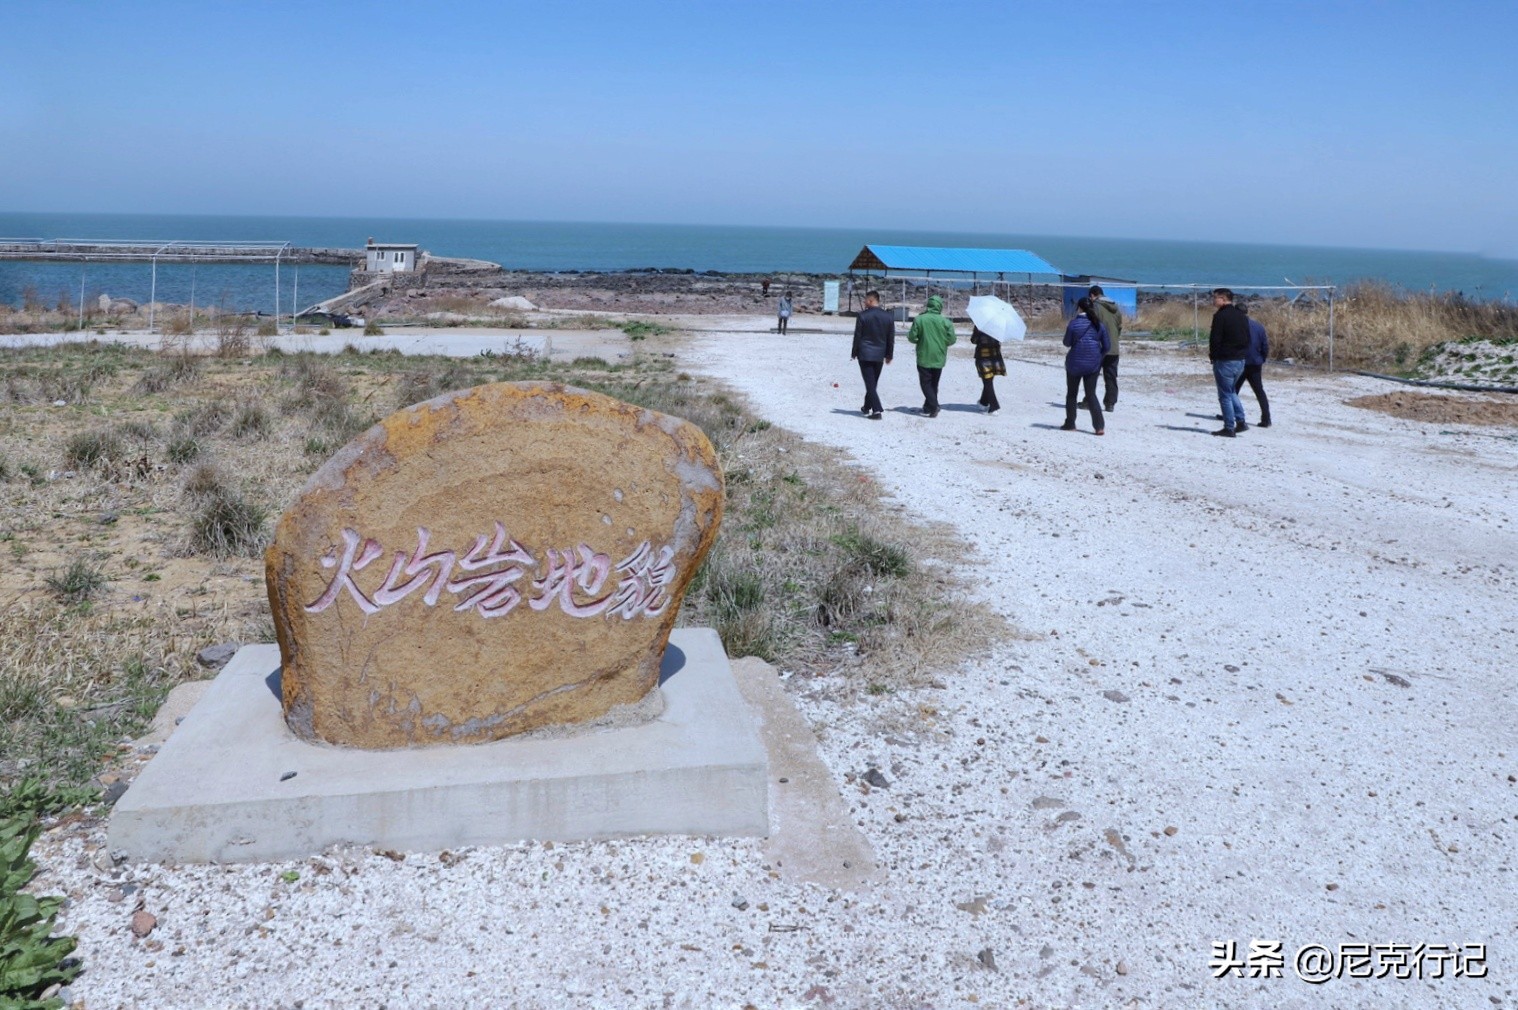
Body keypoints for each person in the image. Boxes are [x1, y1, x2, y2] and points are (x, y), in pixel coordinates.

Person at [1061, 297, 1108, 434]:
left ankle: (1070, 423)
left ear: (1079, 308)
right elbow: (1107, 346)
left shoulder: (1073, 324)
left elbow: (1066, 343)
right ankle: (1099, 426)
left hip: (1074, 363)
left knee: (1072, 394)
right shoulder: (1099, 324)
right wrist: (1098, 357)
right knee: (1091, 394)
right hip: (1093, 364)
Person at [1208, 288, 1250, 437]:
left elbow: (1215, 339)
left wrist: (1214, 356)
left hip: (1225, 360)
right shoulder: (1241, 315)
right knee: (1231, 391)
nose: (1213, 300)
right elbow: (1247, 338)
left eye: (1215, 298)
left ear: (1224, 299)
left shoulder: (1221, 316)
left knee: (1225, 395)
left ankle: (1229, 427)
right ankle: (1241, 421)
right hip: (1240, 360)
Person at [906, 294, 956, 417]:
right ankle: (928, 406)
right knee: (934, 383)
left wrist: (919, 340)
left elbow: (912, 337)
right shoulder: (946, 322)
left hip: (924, 354)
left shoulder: (919, 319)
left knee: (925, 383)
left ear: (928, 305)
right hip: (939, 355)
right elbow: (952, 339)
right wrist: (943, 343)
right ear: (940, 306)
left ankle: (933, 406)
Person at [851, 289, 895, 420]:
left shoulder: (862, 316)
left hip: (865, 353)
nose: (864, 302)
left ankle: (876, 410)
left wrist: (854, 352)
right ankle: (866, 407)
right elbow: (890, 338)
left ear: (871, 301)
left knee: (870, 383)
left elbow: (857, 336)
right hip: (879, 354)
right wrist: (889, 355)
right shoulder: (888, 316)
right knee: (872, 382)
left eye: (865, 300)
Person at [1234, 301, 1272, 427]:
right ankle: (1266, 419)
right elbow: (1265, 345)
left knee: (1233, 390)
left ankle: (1229, 414)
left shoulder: (1237, 327)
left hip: (1240, 362)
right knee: (1259, 391)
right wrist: (1262, 358)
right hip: (1255, 362)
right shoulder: (1258, 326)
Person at [1088, 284, 1123, 411]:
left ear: (1092, 295)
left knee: (1091, 376)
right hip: (1113, 347)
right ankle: (1110, 403)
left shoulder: (1095, 307)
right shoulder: (1116, 307)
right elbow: (1119, 327)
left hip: (1099, 347)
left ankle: (1088, 402)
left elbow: (1091, 326)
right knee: (1111, 376)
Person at [970, 325, 1005, 414]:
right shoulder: (998, 326)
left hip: (983, 357)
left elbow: (973, 340)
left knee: (987, 382)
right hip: (995, 357)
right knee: (989, 381)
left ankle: (994, 407)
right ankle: (983, 402)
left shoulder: (979, 325)